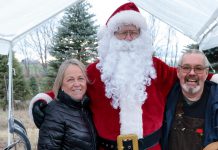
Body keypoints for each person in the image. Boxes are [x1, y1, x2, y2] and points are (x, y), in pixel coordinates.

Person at [29, 2, 218, 150]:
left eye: (133, 32)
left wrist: (213, 78)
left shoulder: (155, 67)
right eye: (123, 33)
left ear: (140, 36)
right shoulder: (96, 70)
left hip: (151, 148)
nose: (128, 38)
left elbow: (187, 74)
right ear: (112, 35)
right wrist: (43, 99)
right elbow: (71, 85)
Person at [161, 49, 218, 150]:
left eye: (198, 68)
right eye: (186, 68)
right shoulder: (166, 96)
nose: (192, 73)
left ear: (206, 73)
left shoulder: (215, 101)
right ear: (178, 72)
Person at [37, 59, 97, 150]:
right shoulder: (54, 113)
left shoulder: (86, 108)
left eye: (80, 78)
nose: (77, 84)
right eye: (70, 80)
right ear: (61, 85)